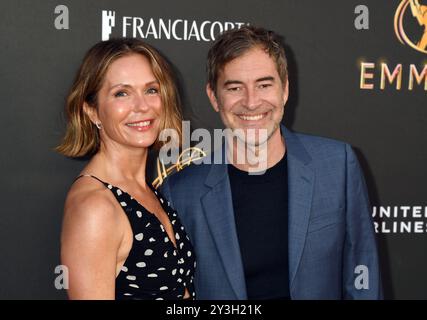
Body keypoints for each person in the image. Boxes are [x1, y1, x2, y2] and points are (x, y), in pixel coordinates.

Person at [160, 25, 382, 299]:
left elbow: (363, 279)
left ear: (285, 89)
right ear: (213, 97)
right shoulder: (181, 192)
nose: (252, 102)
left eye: (264, 85)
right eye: (234, 88)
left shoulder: (338, 165)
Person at [57, 38, 196, 300]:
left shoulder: (147, 190)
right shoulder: (95, 207)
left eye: (151, 90)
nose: (142, 106)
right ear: (92, 111)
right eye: (122, 93)